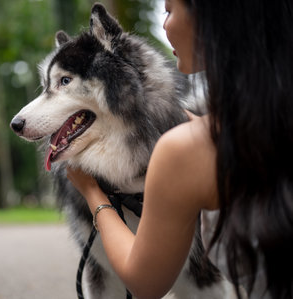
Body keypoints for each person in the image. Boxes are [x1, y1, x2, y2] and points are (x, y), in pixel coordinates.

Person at [66, 0, 293, 298]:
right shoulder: (264, 128)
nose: (164, 24)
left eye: (170, 9)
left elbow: (144, 283)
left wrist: (92, 193)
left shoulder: (187, 151)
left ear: (213, 17)